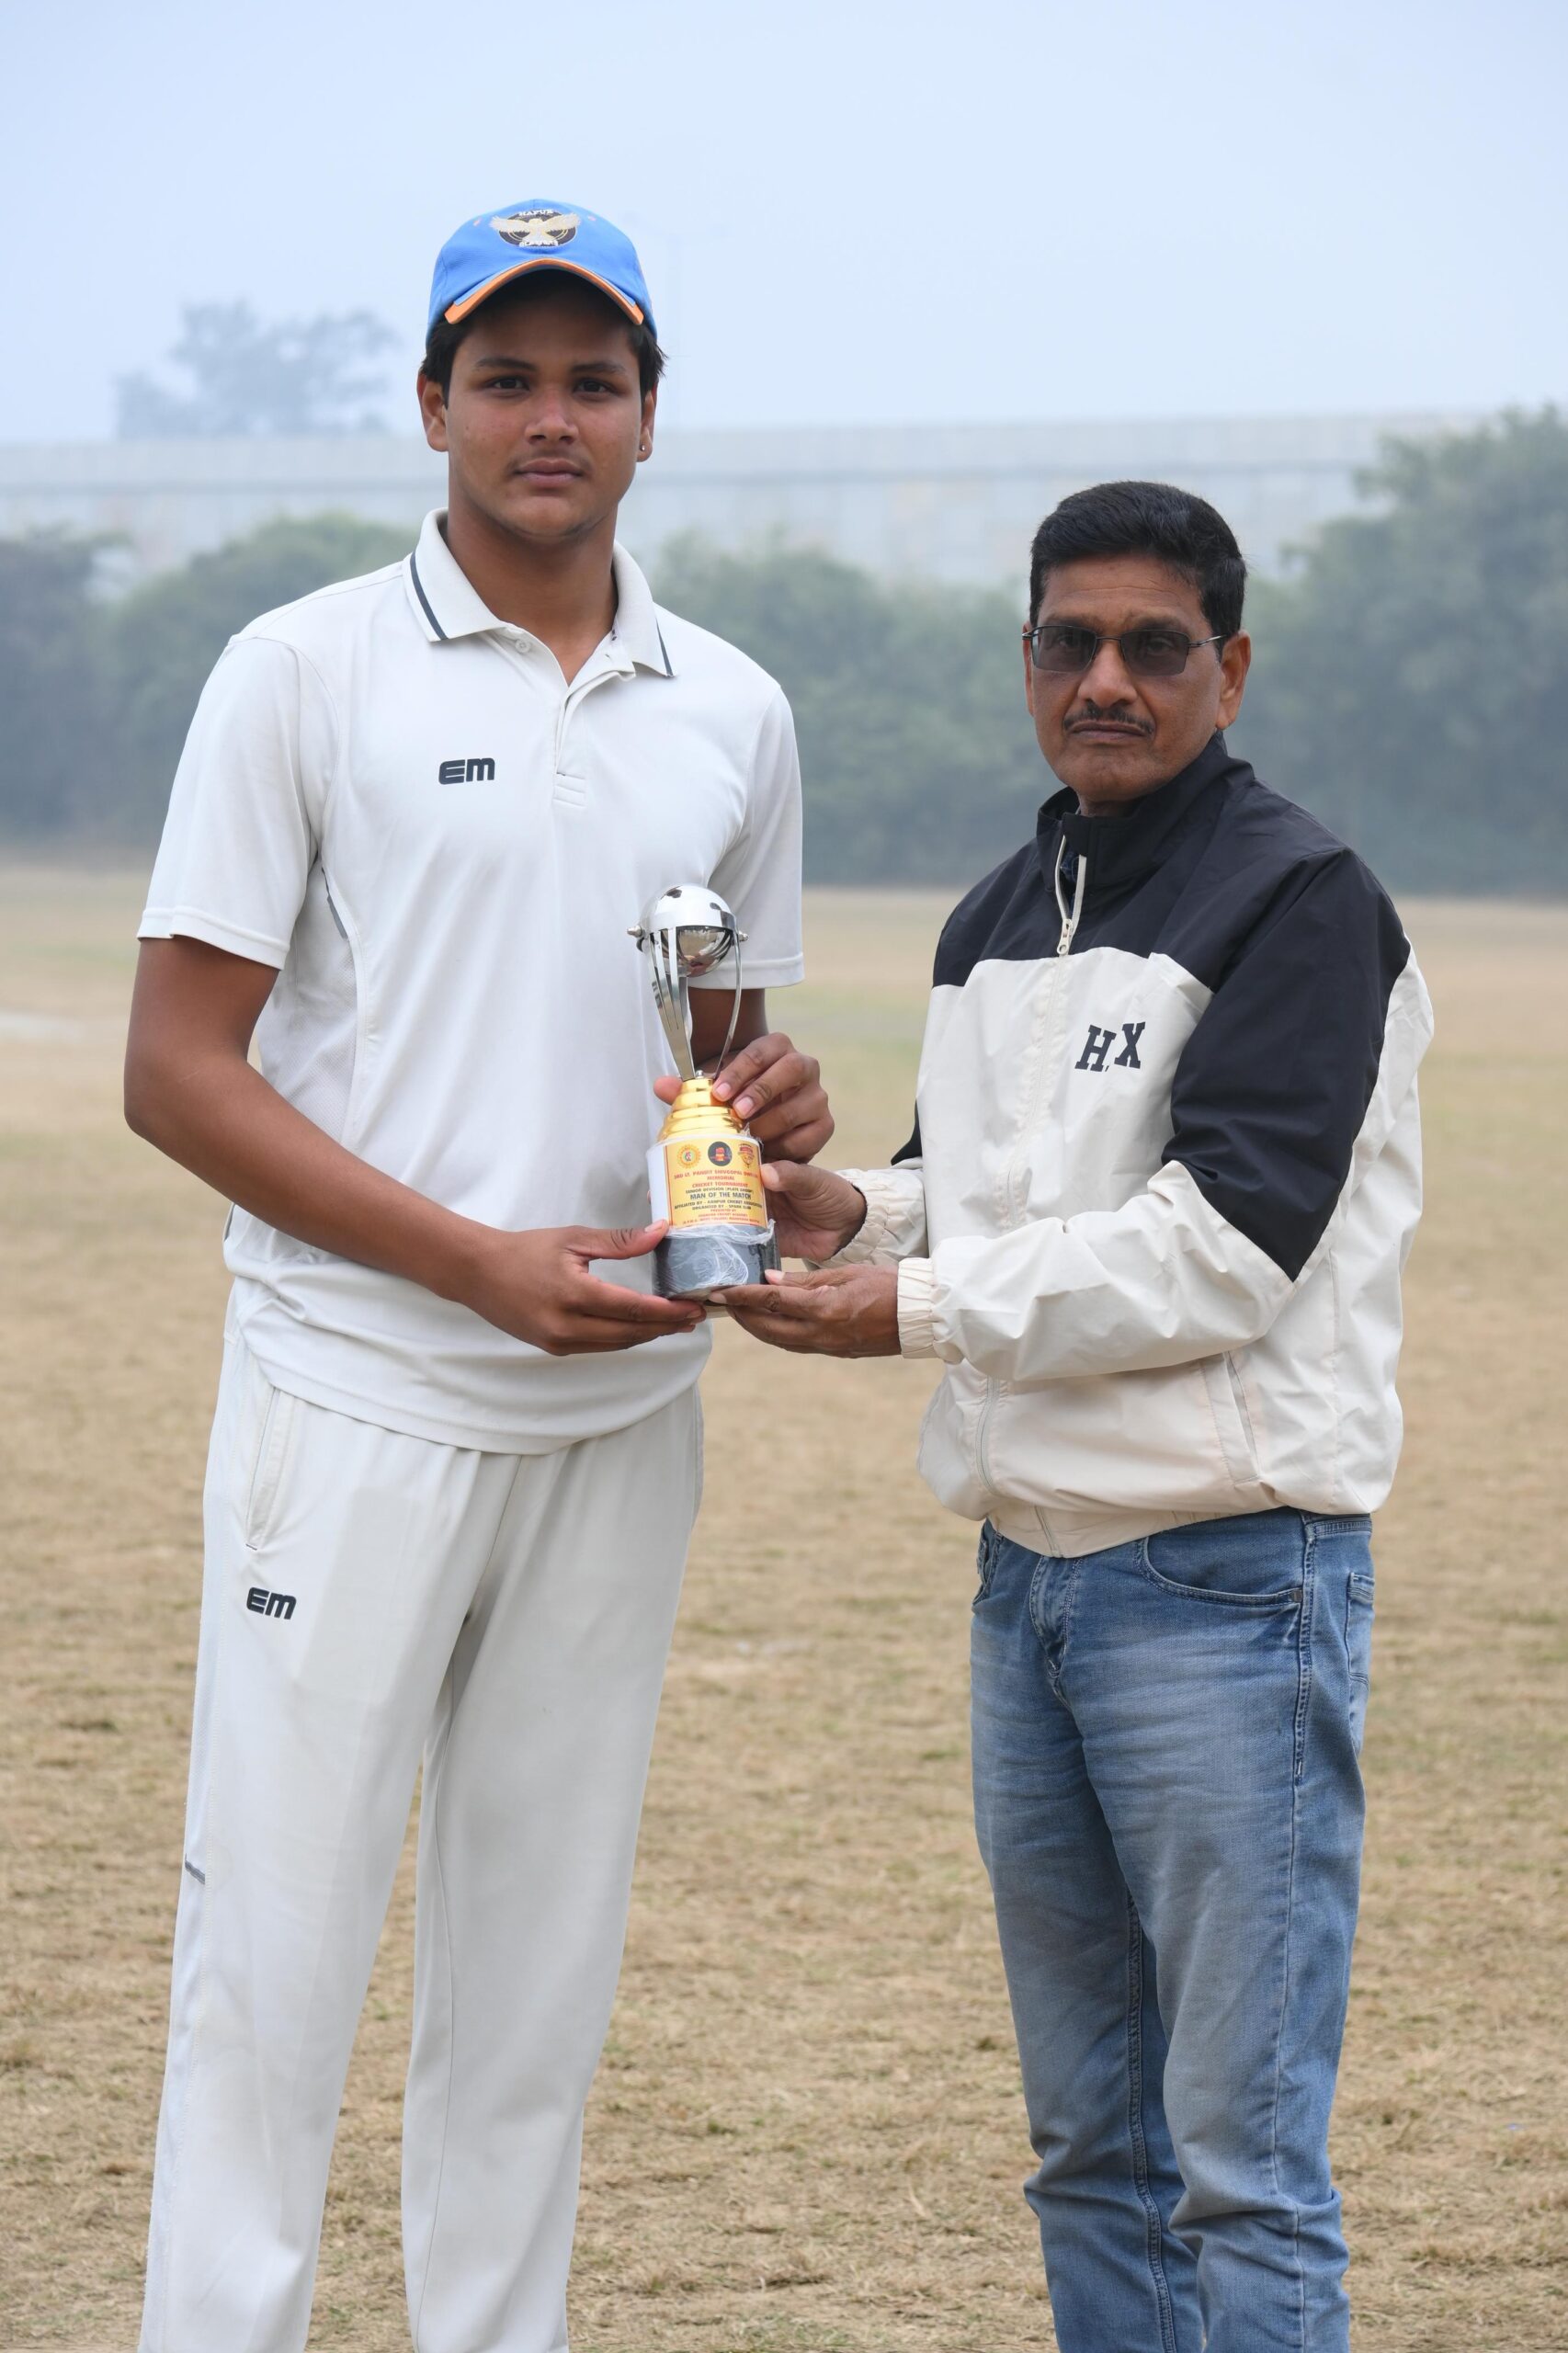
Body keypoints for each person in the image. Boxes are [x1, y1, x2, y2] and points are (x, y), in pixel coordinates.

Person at [124, 197, 832, 2353]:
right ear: (431, 403)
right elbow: (174, 1067)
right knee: (273, 1973)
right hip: (356, 1393)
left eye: (591, 380)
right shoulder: (301, 668)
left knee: (534, 1984)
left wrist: (773, 1111)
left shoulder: (733, 705)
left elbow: (713, 1058)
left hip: (621, 1415)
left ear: (648, 417)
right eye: (504, 376)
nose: (550, 417)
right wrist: (469, 1263)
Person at [724, 481, 1432, 2352]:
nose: (1104, 678)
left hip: (1225, 1580)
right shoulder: (997, 910)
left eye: (1151, 645)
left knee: (1239, 2163)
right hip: (1025, 1585)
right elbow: (980, 1193)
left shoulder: (1299, 898)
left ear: (1229, 669)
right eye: (1067, 641)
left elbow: (1223, 1247)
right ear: (1025, 658)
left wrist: (909, 1306)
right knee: (1088, 2150)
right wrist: (847, 1214)